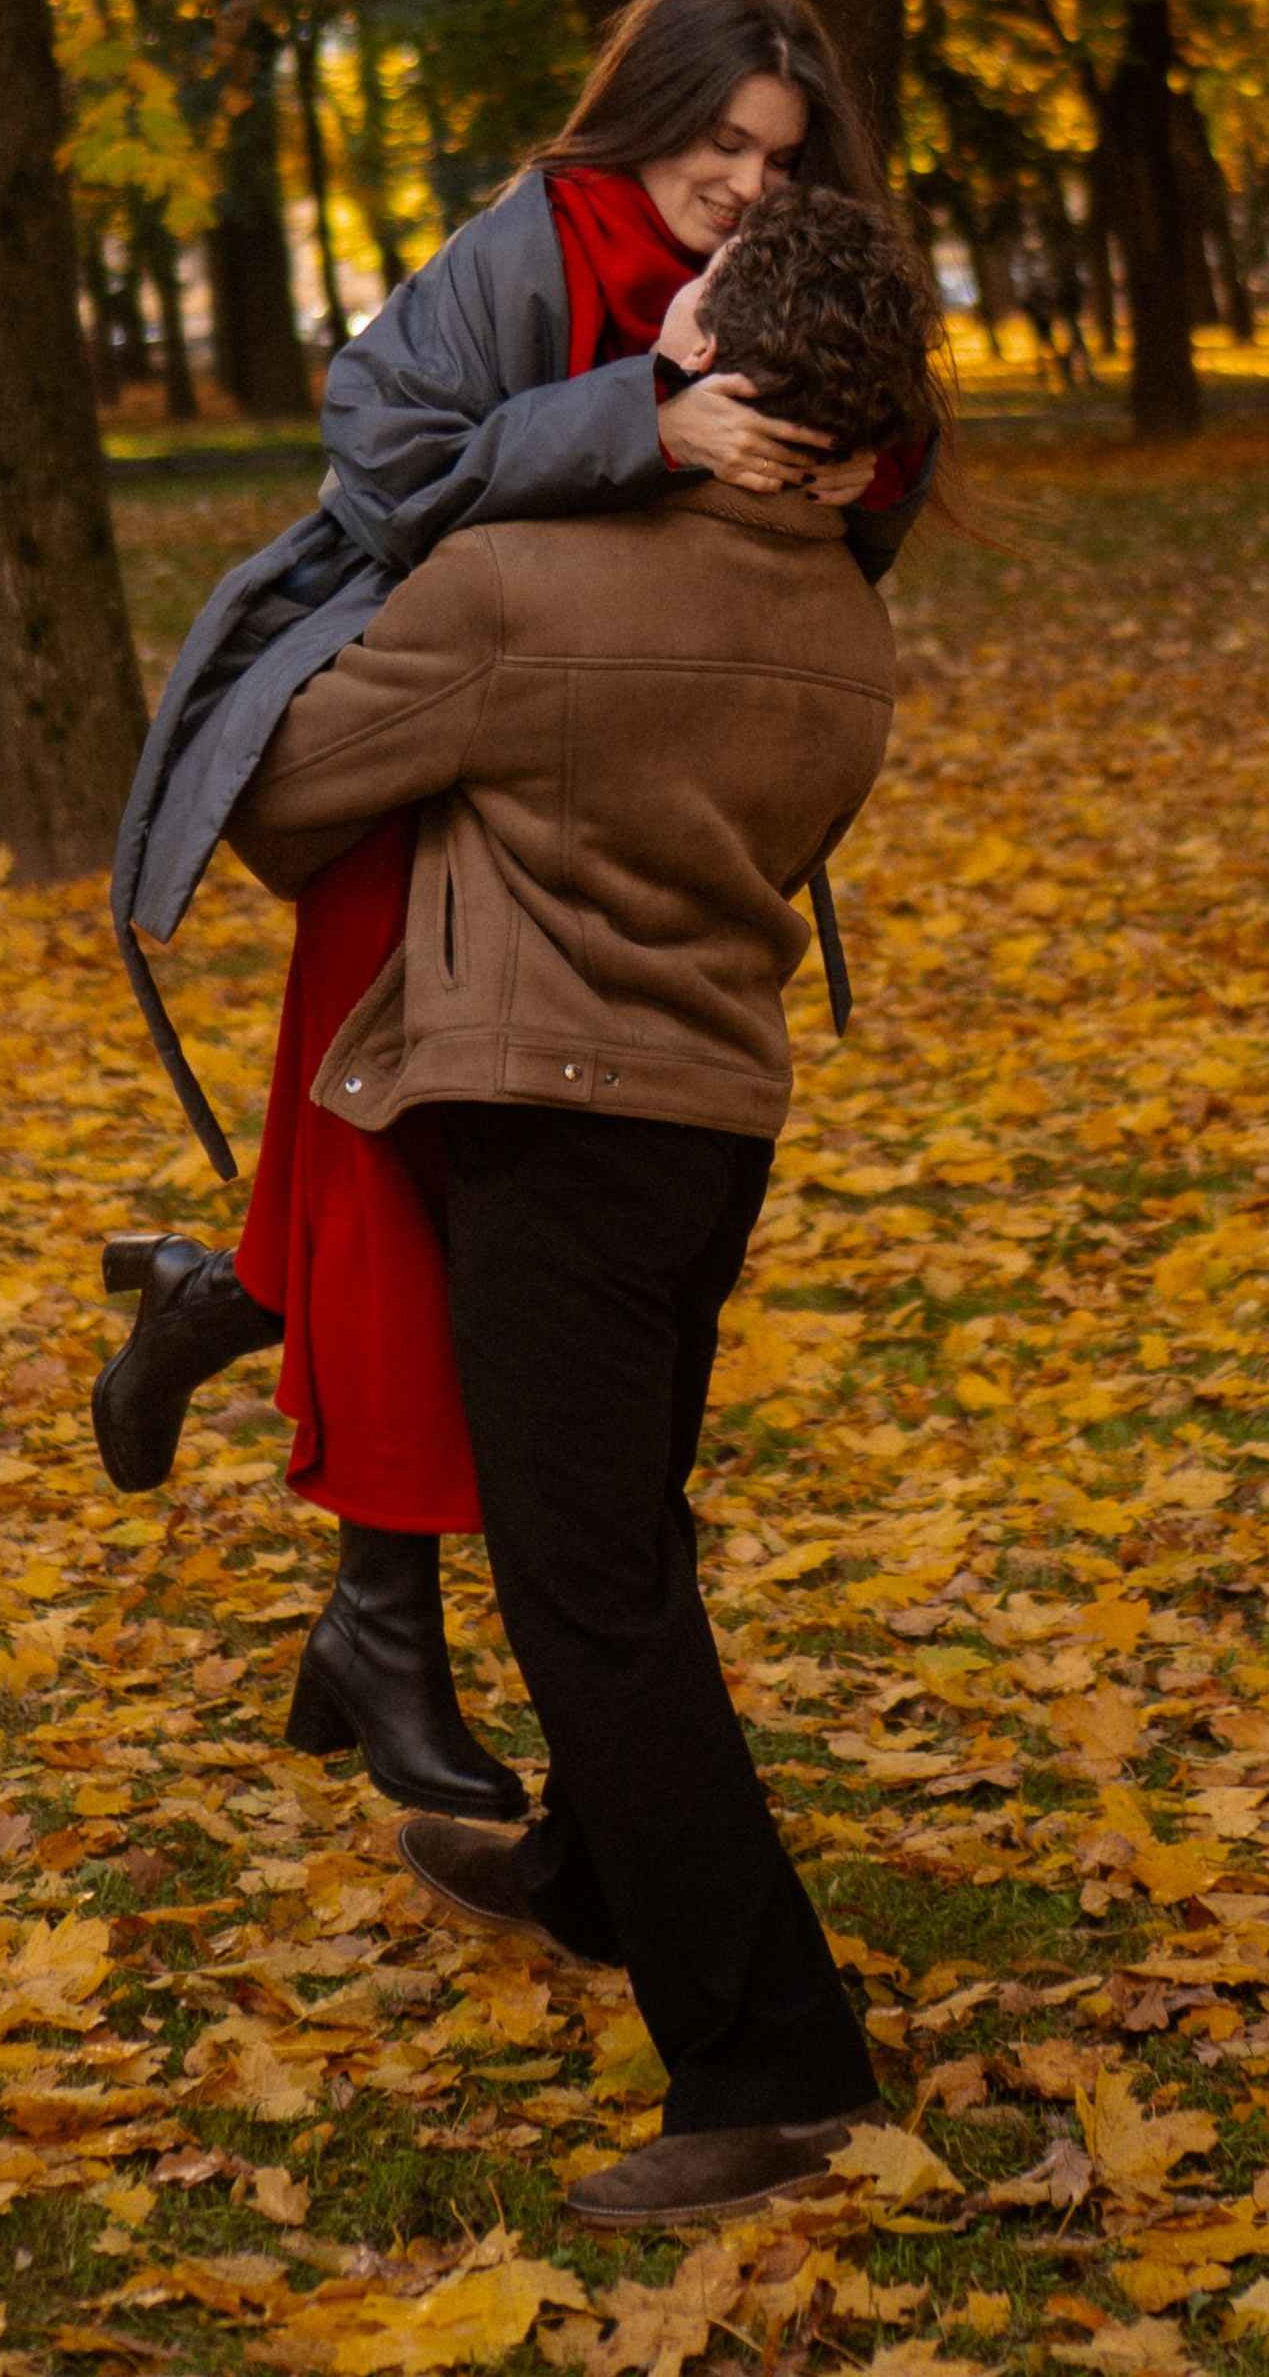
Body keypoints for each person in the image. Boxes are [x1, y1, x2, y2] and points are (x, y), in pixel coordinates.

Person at [94, 0, 935, 1821]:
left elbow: (858, 464)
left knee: (453, 1221)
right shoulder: (521, 250)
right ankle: (383, 1618)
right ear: (647, 113)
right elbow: (388, 477)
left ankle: (228, 1303)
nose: (743, 188)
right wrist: (649, 421)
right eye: (717, 144)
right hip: (435, 745)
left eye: (779, 158)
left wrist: (841, 470)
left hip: (620, 787)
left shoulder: (787, 259)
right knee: (393, 1195)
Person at [223, 188, 934, 2228]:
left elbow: (282, 799)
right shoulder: (842, 616)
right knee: (619, 1535)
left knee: (583, 1593)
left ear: (714, 379)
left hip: (543, 1121)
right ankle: (585, 1875)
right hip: (710, 1123)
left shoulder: (523, 587)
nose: (633, 341)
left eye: (672, 318)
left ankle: (772, 2062)